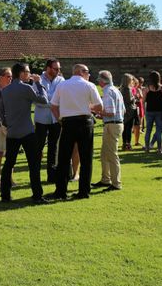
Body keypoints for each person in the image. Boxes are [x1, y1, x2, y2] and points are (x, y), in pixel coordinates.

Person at [48, 64, 103, 201]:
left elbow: (53, 105)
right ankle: (84, 191)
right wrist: (89, 107)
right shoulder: (89, 86)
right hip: (85, 122)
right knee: (86, 158)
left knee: (63, 158)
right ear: (82, 72)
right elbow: (100, 106)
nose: (88, 74)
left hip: (68, 123)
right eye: (87, 71)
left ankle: (61, 191)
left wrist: (60, 119)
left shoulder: (62, 85)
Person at [0, 62, 49, 203]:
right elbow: (43, 100)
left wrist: (7, 123)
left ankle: (5, 195)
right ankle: (37, 195)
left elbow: (1, 111)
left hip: (12, 132)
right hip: (27, 131)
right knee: (34, 164)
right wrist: (38, 83)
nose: (29, 74)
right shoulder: (26, 88)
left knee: (9, 164)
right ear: (21, 74)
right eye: (27, 72)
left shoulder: (6, 90)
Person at [92, 70, 125, 191]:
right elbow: (122, 110)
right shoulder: (116, 90)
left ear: (101, 81)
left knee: (111, 154)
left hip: (112, 125)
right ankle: (106, 179)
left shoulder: (107, 92)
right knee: (105, 153)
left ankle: (116, 183)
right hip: (115, 124)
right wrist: (102, 115)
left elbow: (110, 112)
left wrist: (96, 111)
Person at [34, 59, 64, 183]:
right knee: (38, 148)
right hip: (41, 120)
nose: (58, 71)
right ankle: (35, 176)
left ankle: (51, 177)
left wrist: (48, 101)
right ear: (48, 68)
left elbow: (62, 98)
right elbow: (36, 100)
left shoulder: (61, 81)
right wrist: (52, 103)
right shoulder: (37, 80)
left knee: (53, 149)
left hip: (56, 119)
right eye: (55, 68)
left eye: (59, 69)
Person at [143, 71, 162, 152]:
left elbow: (143, 100)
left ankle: (147, 148)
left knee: (148, 130)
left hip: (149, 111)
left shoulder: (146, 88)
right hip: (160, 111)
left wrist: (144, 110)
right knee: (158, 130)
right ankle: (159, 149)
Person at [120, 73, 137, 151]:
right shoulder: (127, 89)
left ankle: (124, 144)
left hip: (123, 110)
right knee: (129, 129)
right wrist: (135, 97)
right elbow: (129, 100)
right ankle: (128, 145)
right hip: (129, 111)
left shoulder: (121, 88)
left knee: (125, 128)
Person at [132, 77, 144, 146]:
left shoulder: (138, 89)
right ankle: (134, 130)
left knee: (140, 118)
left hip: (139, 105)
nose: (136, 84)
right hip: (134, 106)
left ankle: (139, 129)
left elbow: (141, 97)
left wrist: (138, 95)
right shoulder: (131, 89)